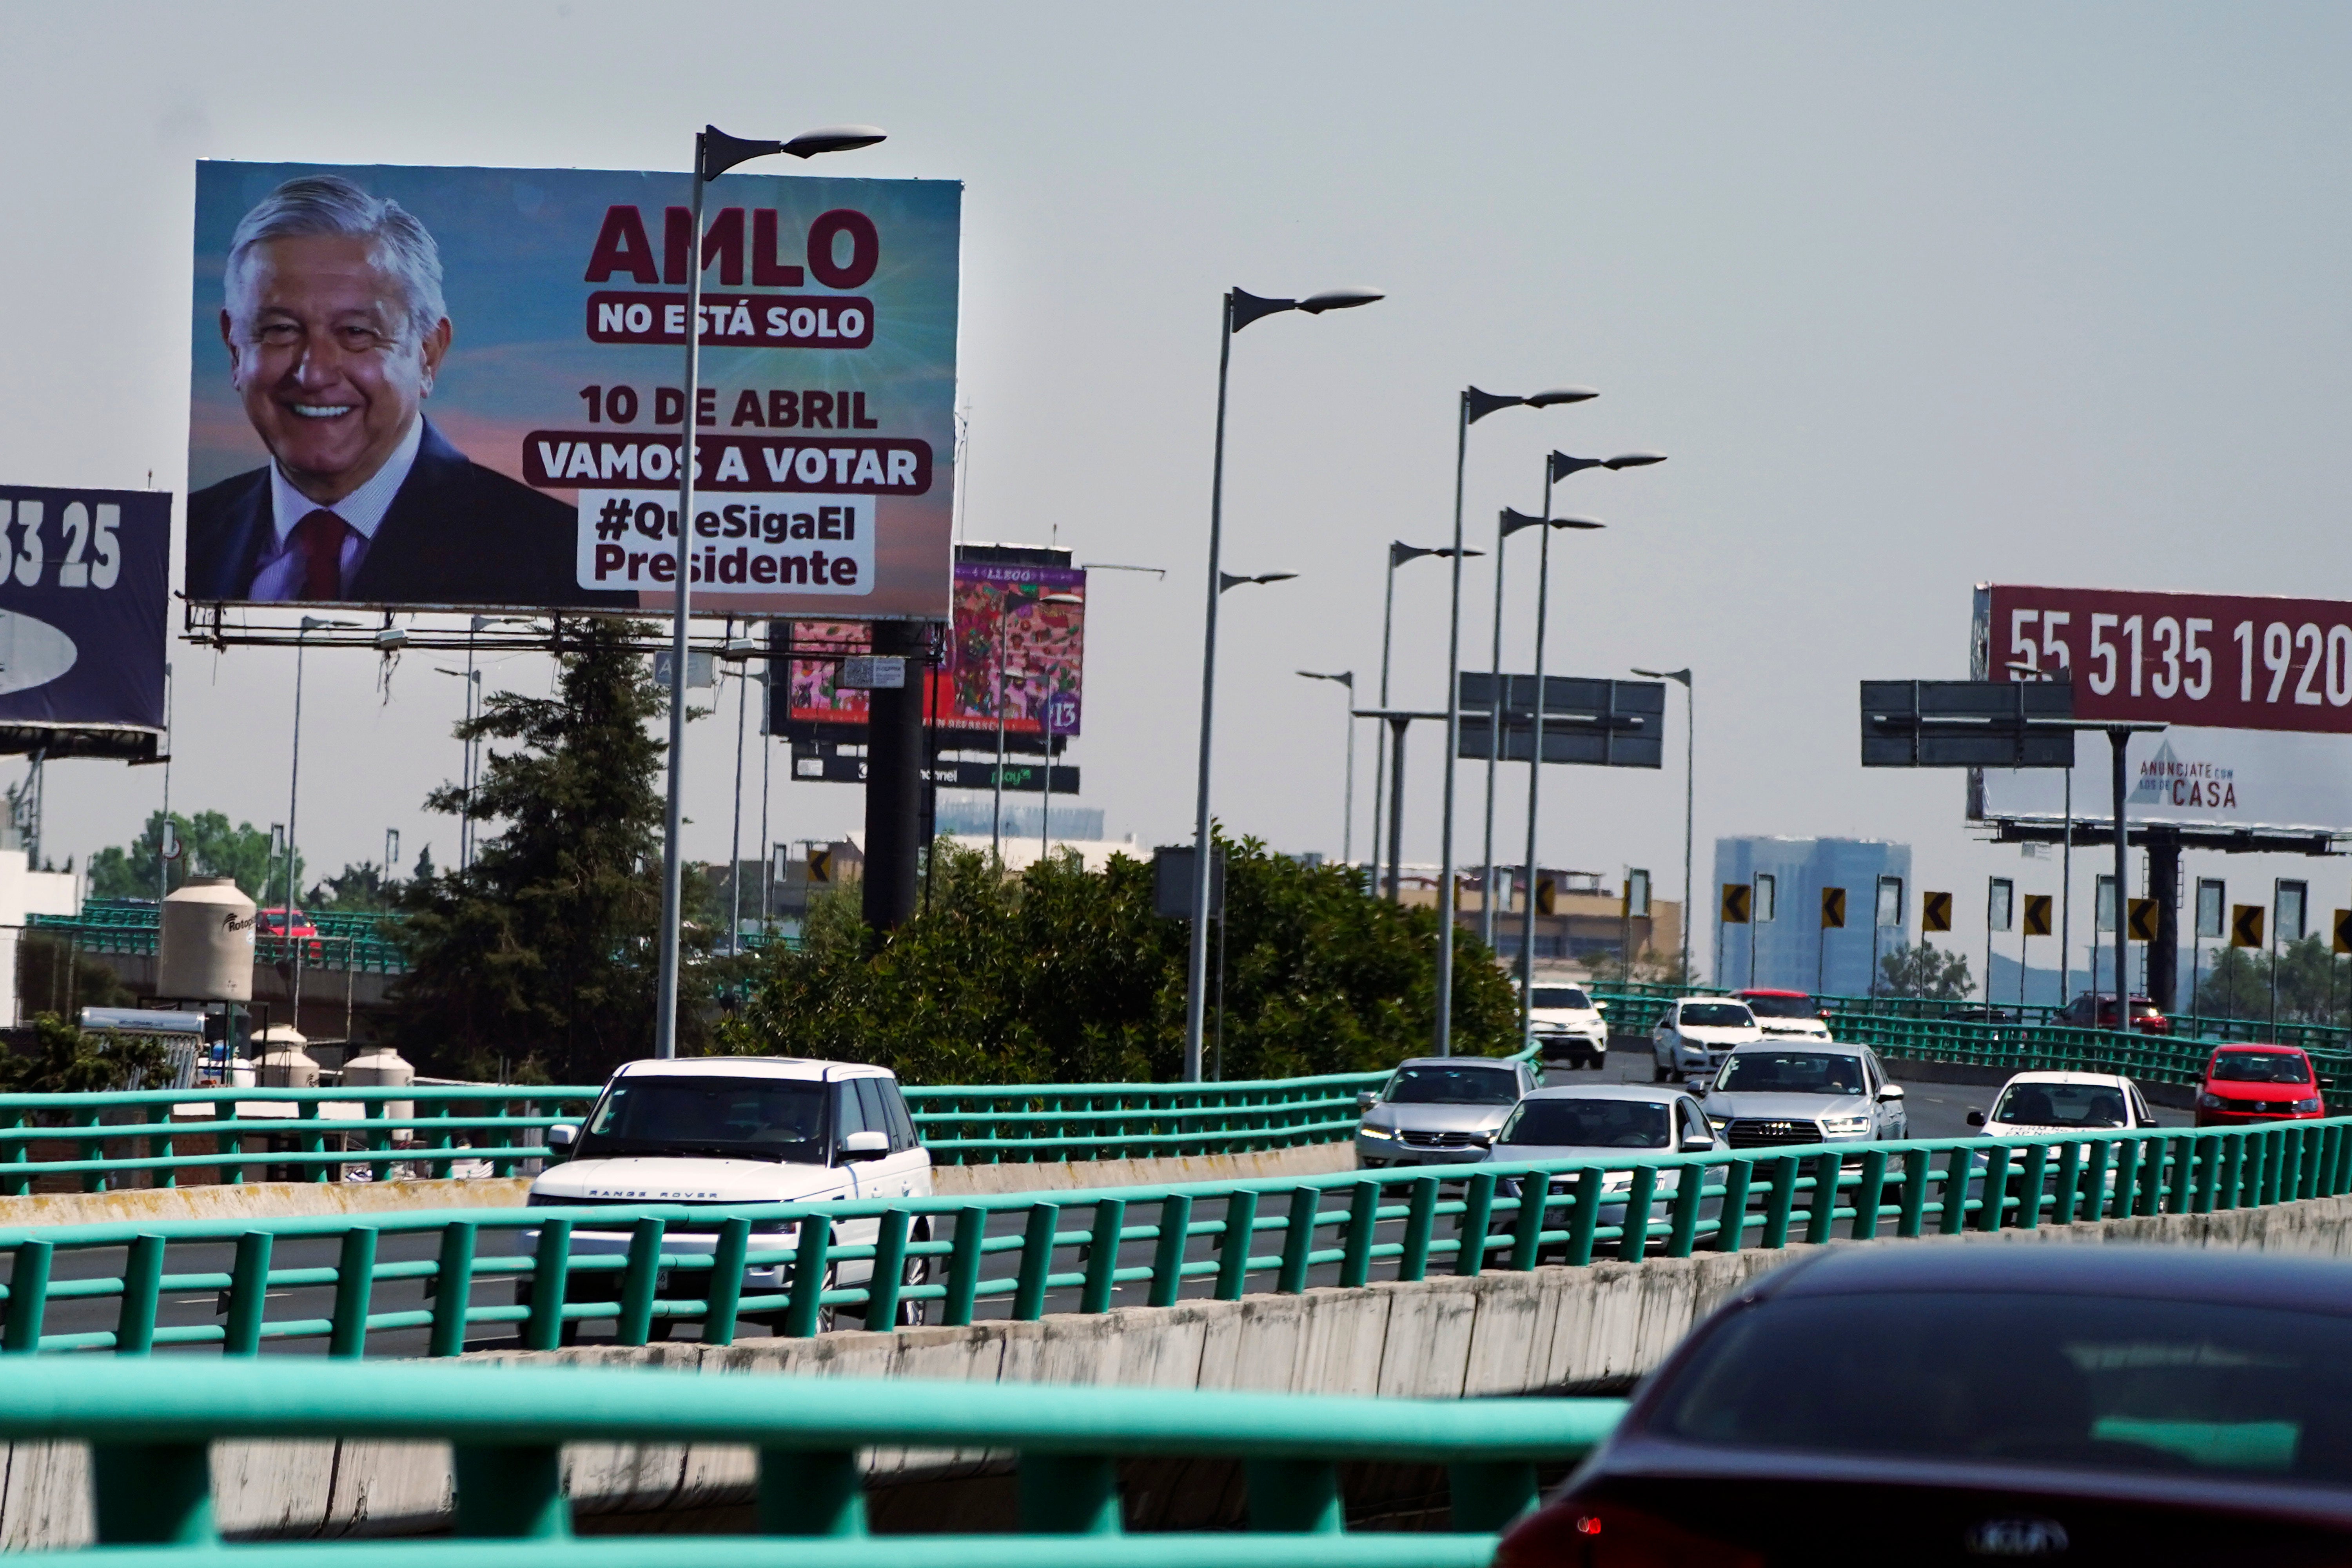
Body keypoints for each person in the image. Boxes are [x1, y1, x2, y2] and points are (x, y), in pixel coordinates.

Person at [187, 175, 615, 608]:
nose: (314, 373)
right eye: (280, 330)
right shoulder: (180, 540)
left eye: (356, 332)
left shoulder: (565, 561)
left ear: (428, 354)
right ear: (235, 348)